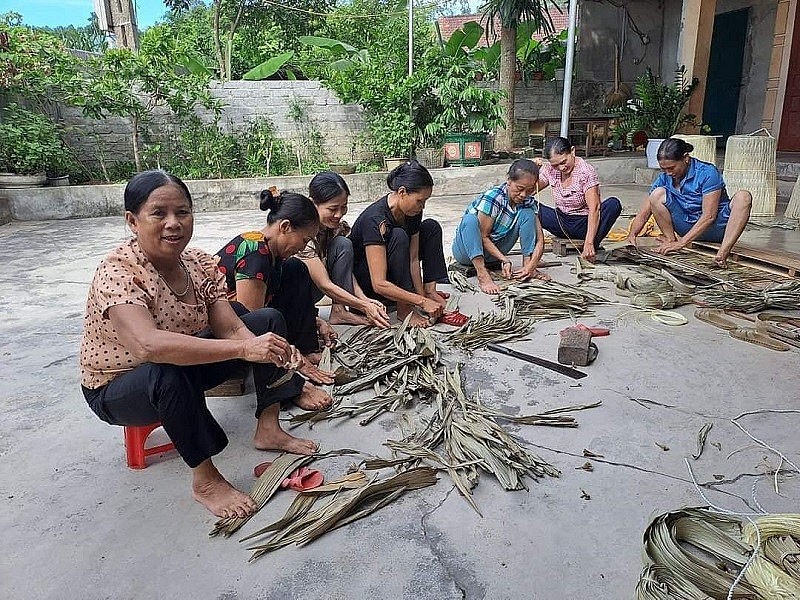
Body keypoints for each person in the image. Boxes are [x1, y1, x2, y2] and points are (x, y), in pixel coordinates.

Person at [80, 170, 325, 519]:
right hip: (119, 387)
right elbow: (148, 347)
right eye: (159, 213)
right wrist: (243, 350)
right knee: (165, 372)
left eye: (182, 212)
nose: (173, 223)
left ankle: (268, 427)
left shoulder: (195, 262)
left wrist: (265, 348)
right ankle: (206, 480)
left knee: (266, 322)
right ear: (132, 221)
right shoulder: (118, 271)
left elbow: (228, 325)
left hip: (183, 365)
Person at [215, 190, 335, 391]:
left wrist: (316, 321)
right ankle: (284, 388)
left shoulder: (273, 251)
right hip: (225, 333)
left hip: (242, 321)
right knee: (269, 318)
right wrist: (295, 365)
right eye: (304, 240)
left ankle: (306, 347)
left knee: (296, 268)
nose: (302, 247)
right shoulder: (255, 253)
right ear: (285, 227)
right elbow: (254, 323)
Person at [349, 160, 456, 328]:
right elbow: (378, 283)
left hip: (396, 271)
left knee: (431, 227)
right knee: (399, 235)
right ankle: (403, 310)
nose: (422, 206)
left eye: (425, 201)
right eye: (419, 201)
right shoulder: (375, 219)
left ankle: (430, 291)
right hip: (369, 285)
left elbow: (413, 260)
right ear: (402, 192)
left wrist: (424, 300)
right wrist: (418, 302)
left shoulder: (412, 212)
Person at [626, 137, 752, 267]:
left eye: (671, 168)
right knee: (656, 194)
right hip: (686, 227)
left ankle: (722, 253)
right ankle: (670, 239)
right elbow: (644, 213)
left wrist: (682, 243)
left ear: (685, 158)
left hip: (716, 228)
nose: (668, 173)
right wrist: (632, 235)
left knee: (744, 197)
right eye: (664, 169)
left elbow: (709, 216)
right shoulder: (664, 178)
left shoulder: (708, 172)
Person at [296, 171, 391, 328]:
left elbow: (344, 269)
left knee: (343, 244)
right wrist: (363, 306)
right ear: (313, 204)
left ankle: (339, 310)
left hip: (320, 288)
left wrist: (364, 299)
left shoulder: (335, 229)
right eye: (333, 209)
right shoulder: (302, 234)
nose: (338, 214)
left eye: (344, 207)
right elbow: (324, 284)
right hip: (301, 292)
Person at [452, 158, 549, 295]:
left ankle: (527, 268)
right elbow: (483, 236)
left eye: (530, 190)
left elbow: (540, 239)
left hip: (494, 252)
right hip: (468, 251)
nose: (523, 195)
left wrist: (532, 265)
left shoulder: (528, 202)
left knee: (528, 214)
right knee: (470, 221)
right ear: (509, 180)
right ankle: (482, 274)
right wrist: (504, 259)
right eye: (520, 189)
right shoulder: (493, 198)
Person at [535, 137, 623, 262]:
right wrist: (532, 172)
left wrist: (589, 243)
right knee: (529, 204)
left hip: (584, 224)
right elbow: (531, 190)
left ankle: (592, 242)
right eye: (555, 165)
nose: (561, 168)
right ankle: (533, 250)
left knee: (613, 204)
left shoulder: (585, 171)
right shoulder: (550, 169)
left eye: (563, 162)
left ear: (572, 151)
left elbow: (595, 208)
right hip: (561, 222)